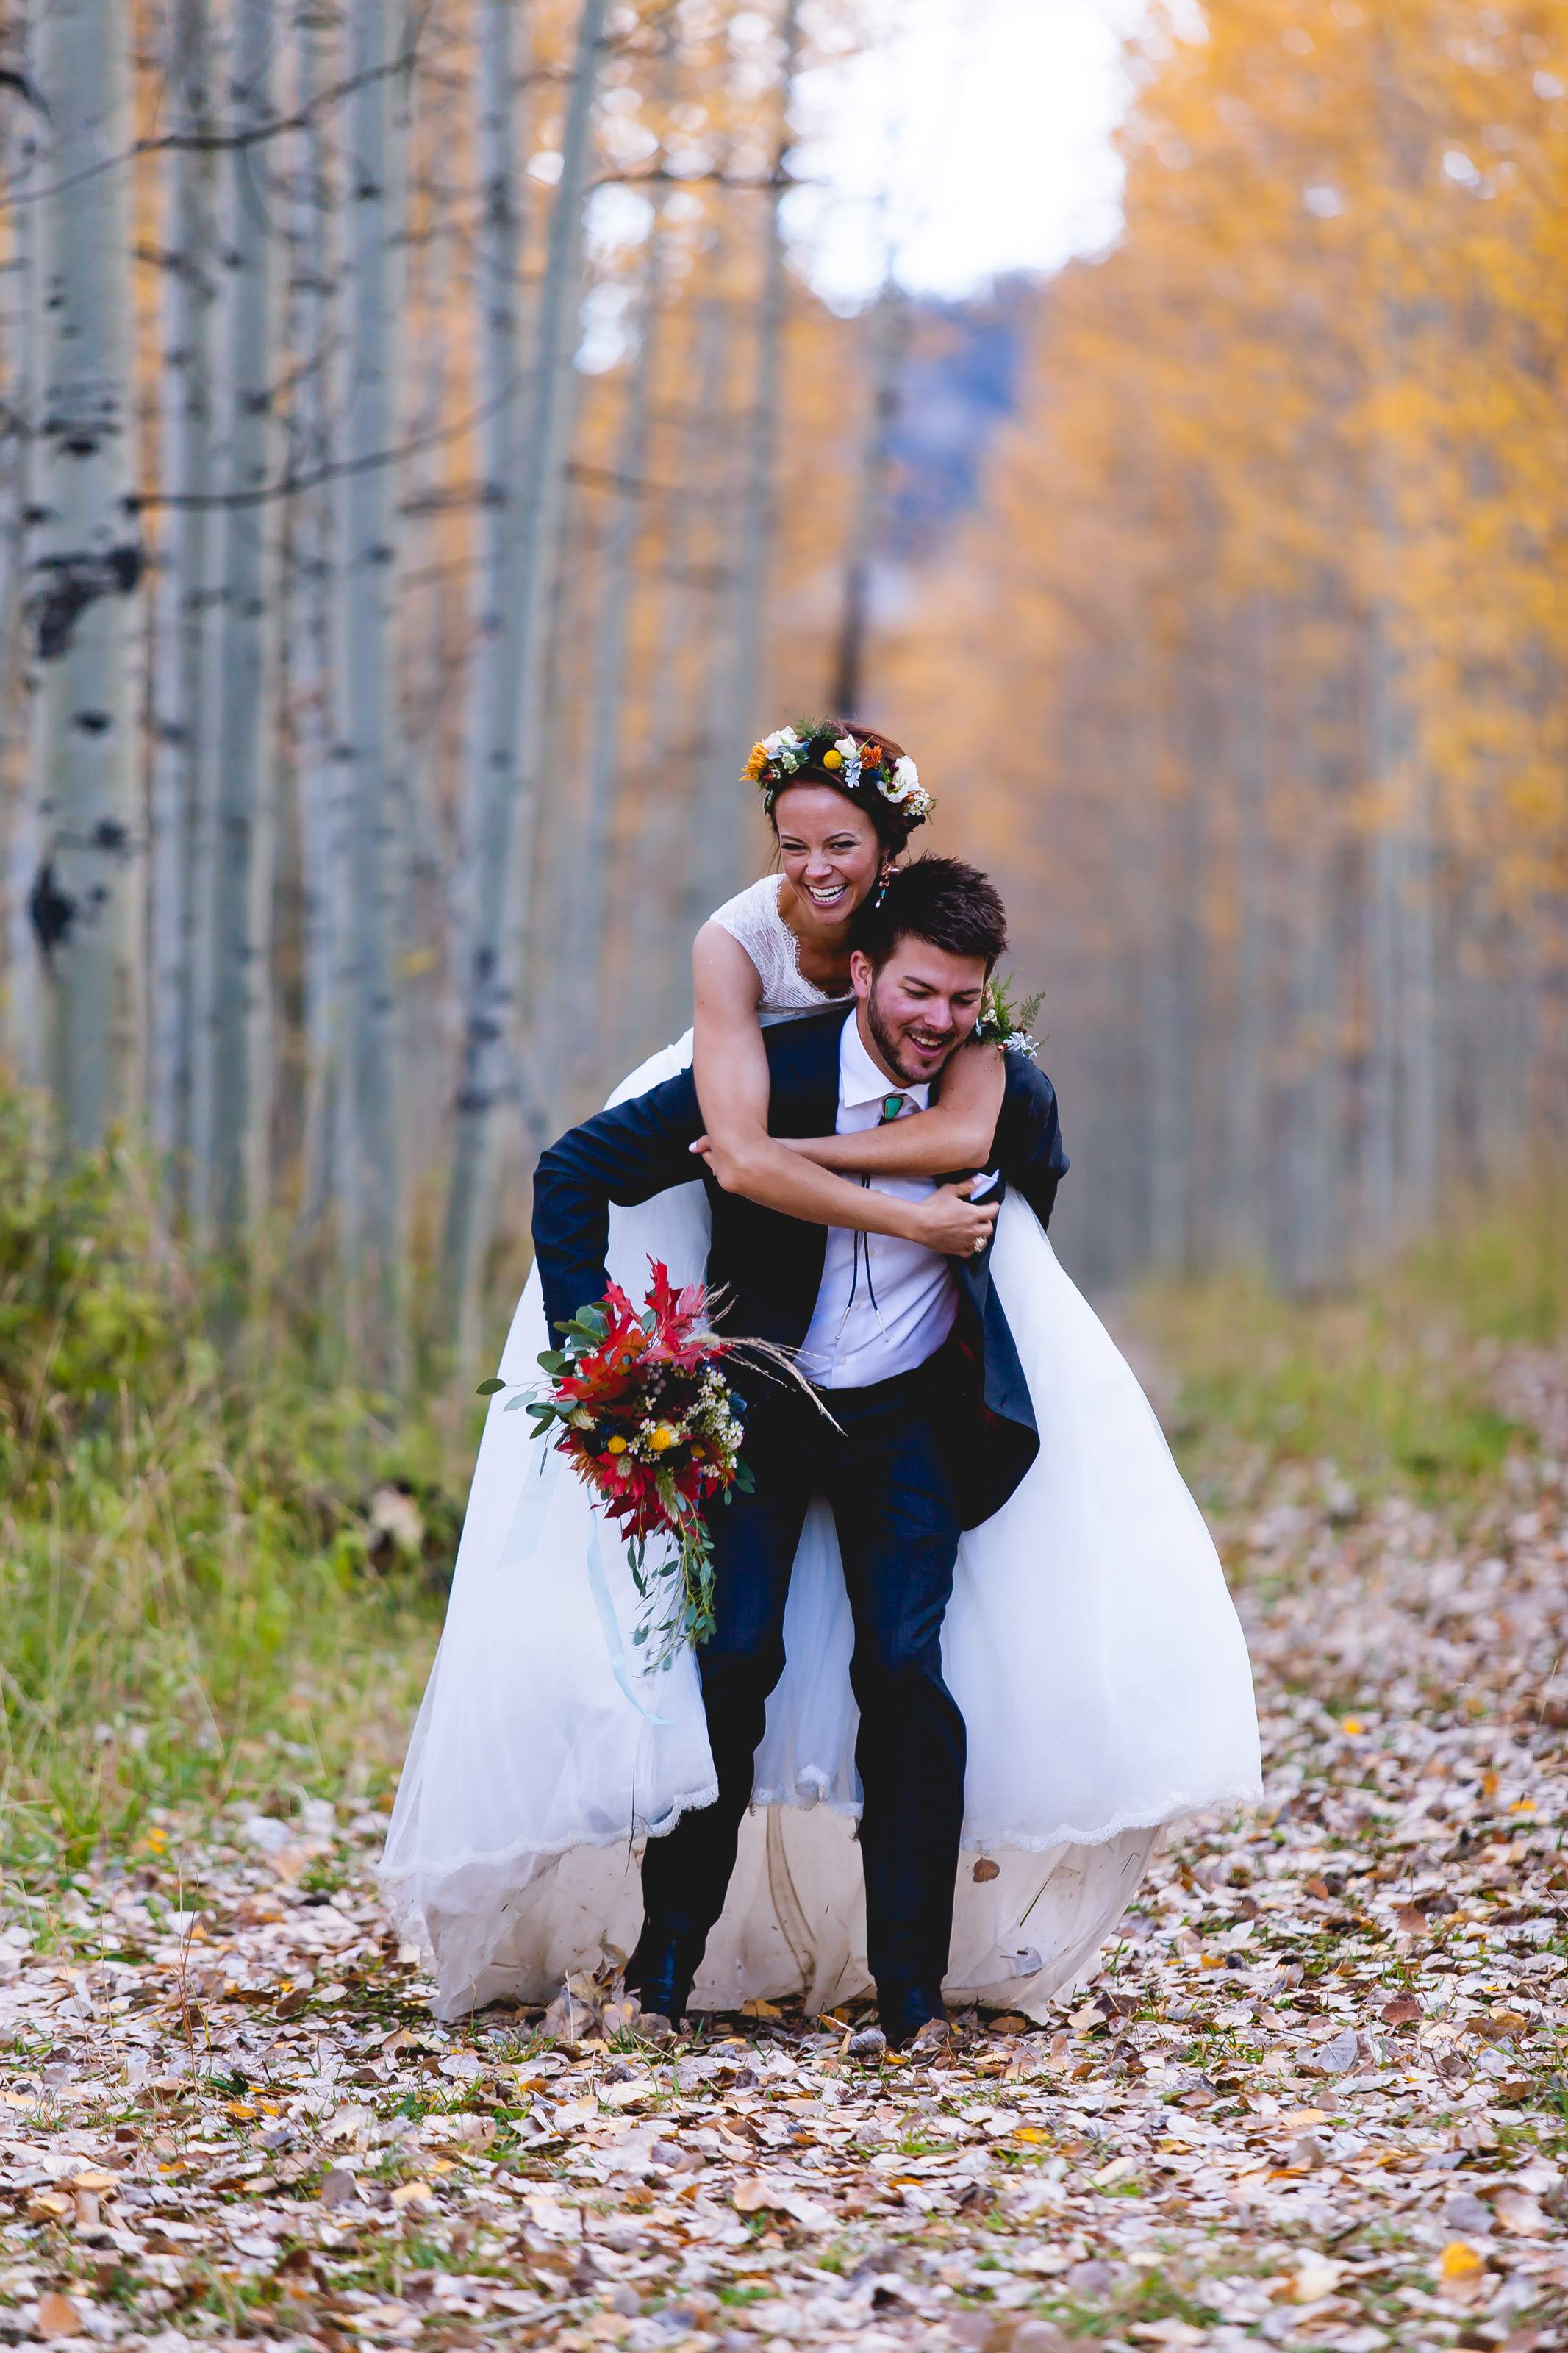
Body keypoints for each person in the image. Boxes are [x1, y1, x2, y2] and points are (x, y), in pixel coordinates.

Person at [379, 725, 1261, 2028]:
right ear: (860, 975)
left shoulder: (998, 1087)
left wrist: (963, 1140)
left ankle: (909, 1986)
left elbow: (1025, 1207)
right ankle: (669, 1963)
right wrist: (598, 1366)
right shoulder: (761, 1077)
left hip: (909, 1410)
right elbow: (569, 1173)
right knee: (730, 1663)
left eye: (962, 1003)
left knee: (902, 1675)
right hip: (763, 1405)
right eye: (915, 995)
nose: (935, 1023)